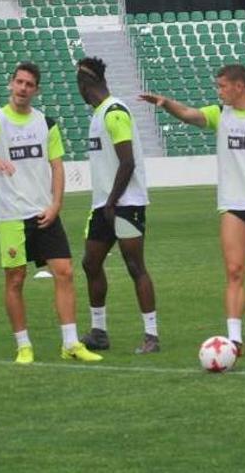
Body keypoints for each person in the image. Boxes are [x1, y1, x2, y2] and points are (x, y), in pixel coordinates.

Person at [139, 64, 245, 356]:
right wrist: (166, 104)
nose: (219, 91)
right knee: (235, 271)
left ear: (240, 86)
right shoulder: (219, 114)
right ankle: (234, 339)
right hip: (233, 207)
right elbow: (190, 115)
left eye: (223, 86)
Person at [0, 62, 102, 364]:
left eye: (29, 84)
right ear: (11, 84)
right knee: (15, 278)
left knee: (64, 271)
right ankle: (23, 345)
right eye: (19, 82)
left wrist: (56, 205)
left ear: (36, 90)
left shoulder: (46, 123)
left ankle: (70, 343)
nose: (23, 88)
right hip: (11, 215)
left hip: (44, 212)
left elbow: (56, 166)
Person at [74, 57, 160, 354]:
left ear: (85, 84)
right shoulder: (98, 115)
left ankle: (151, 334)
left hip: (125, 204)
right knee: (90, 263)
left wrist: (113, 201)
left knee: (135, 265)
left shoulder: (114, 112)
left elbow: (128, 162)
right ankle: (99, 332)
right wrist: (105, 204)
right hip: (104, 206)